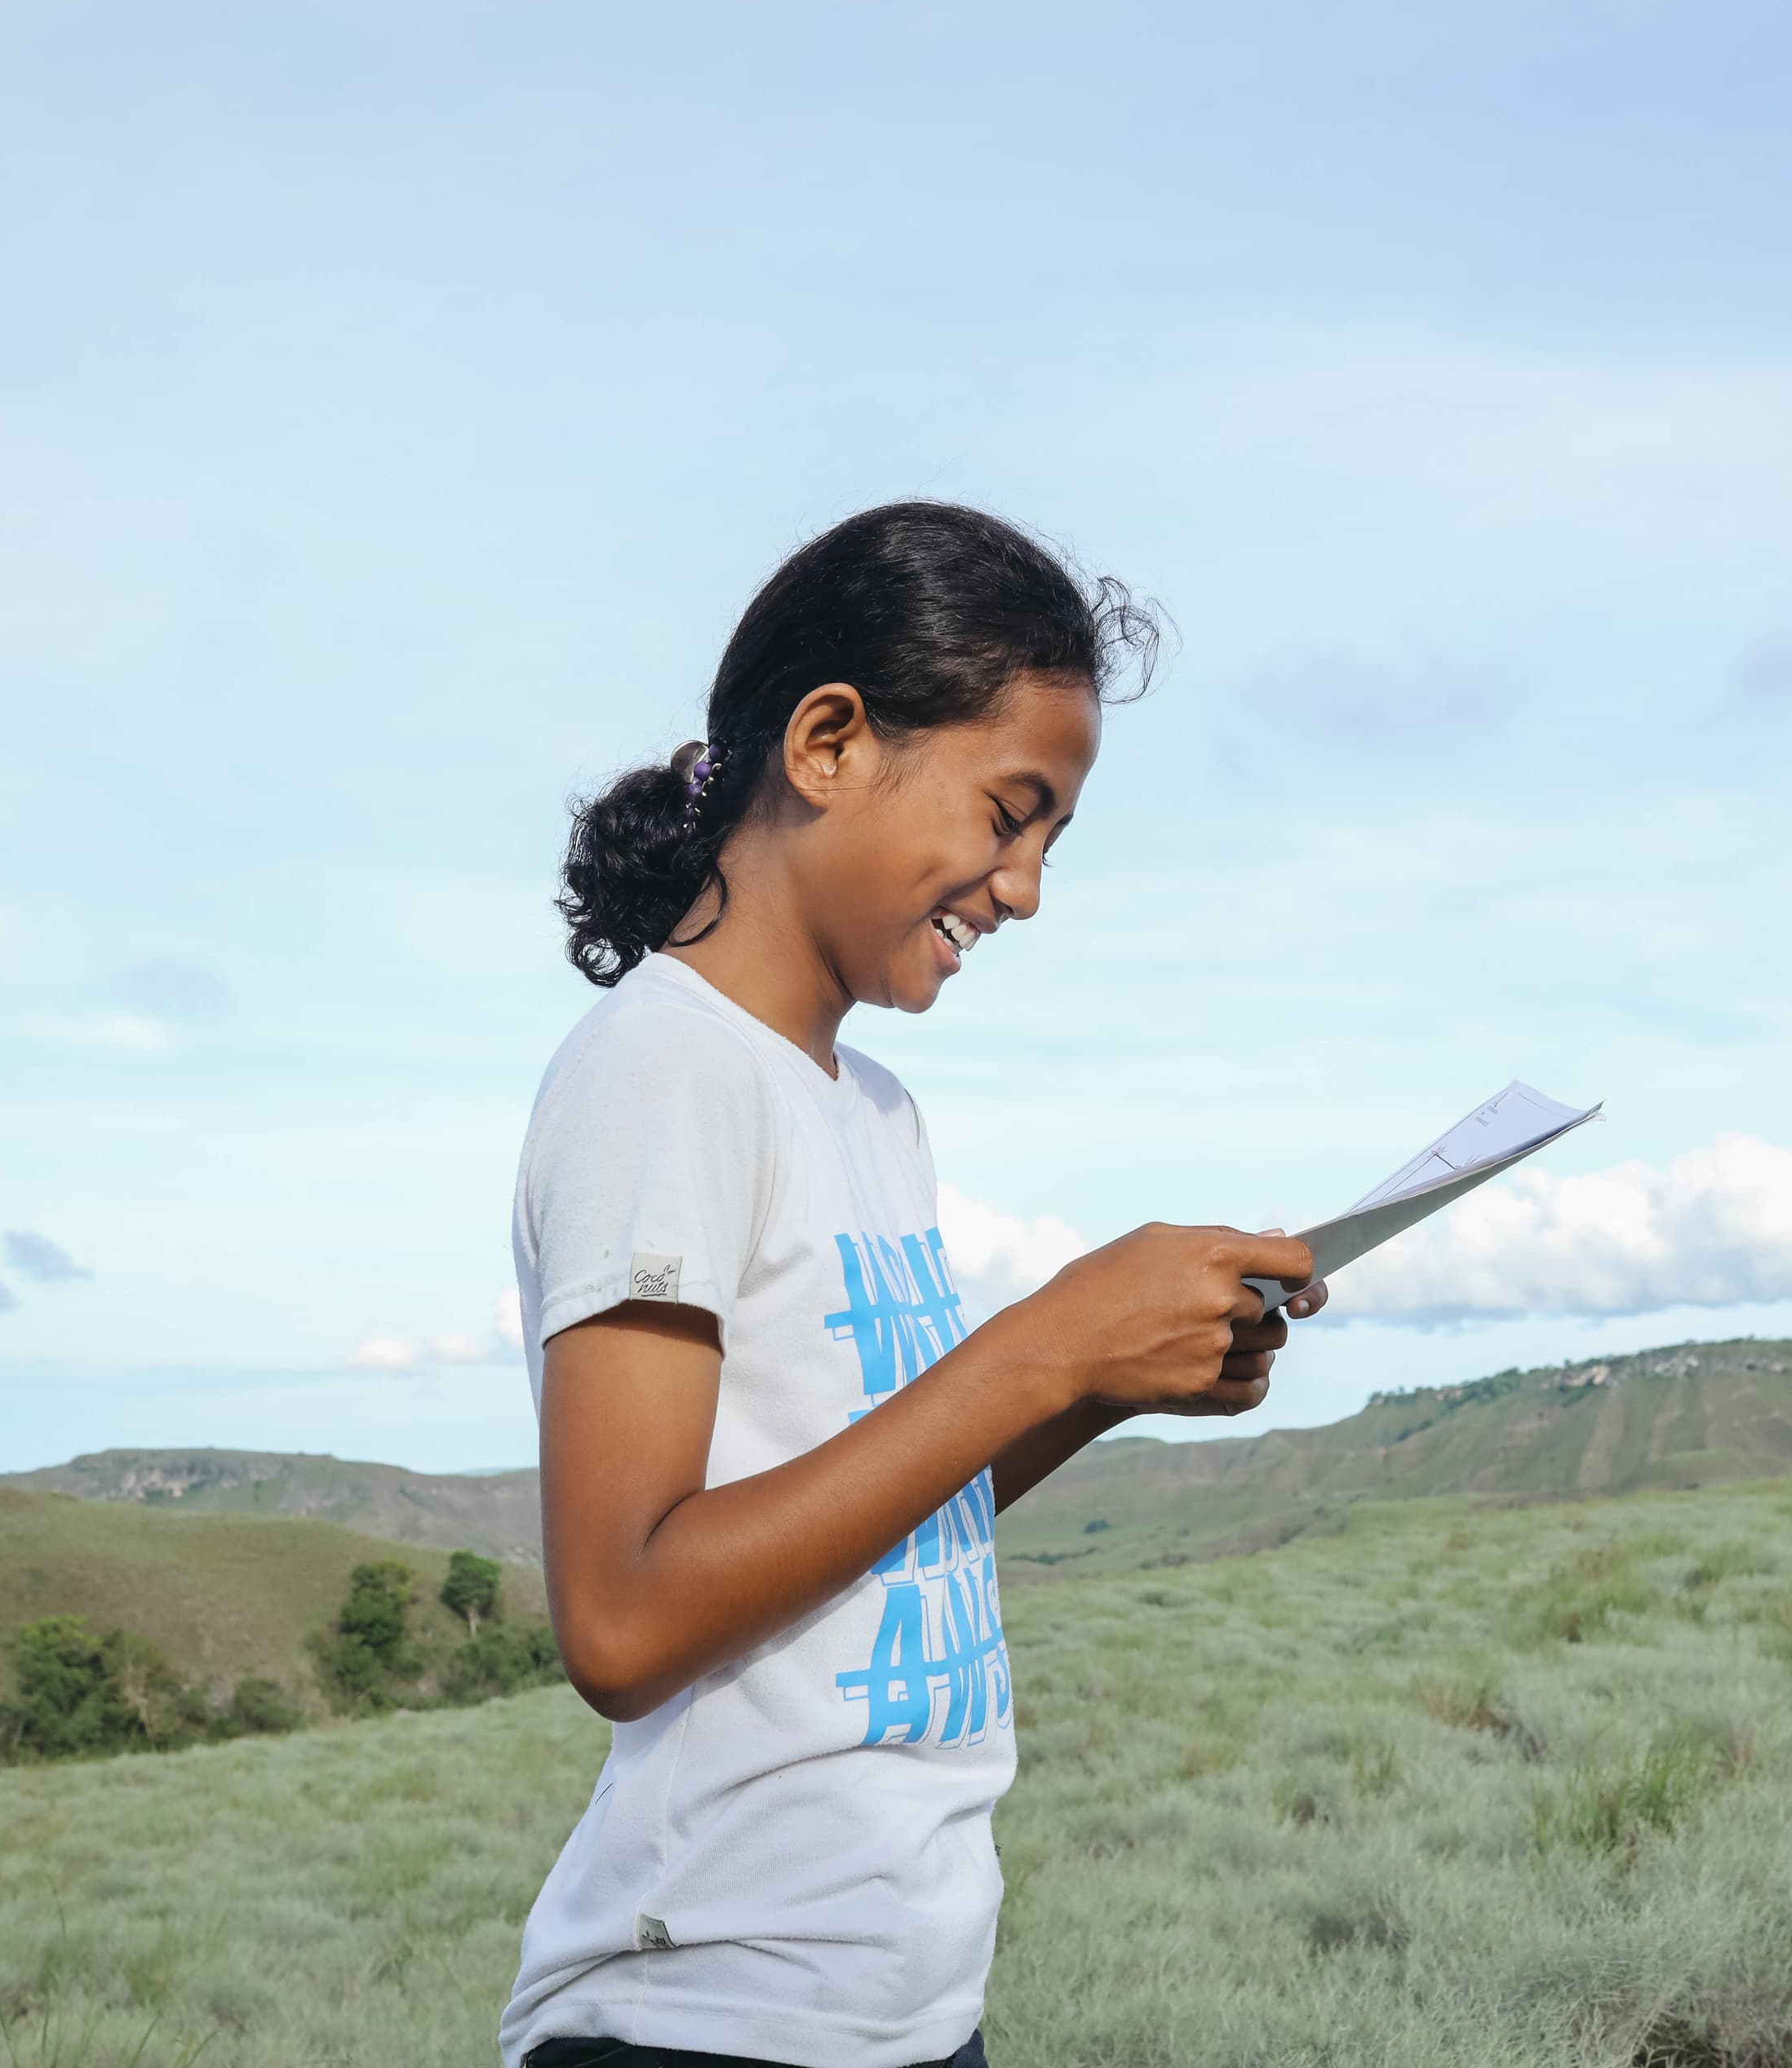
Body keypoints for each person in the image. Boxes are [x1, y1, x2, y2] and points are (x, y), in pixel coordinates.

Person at [503, 501, 1325, 2068]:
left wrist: (1095, 1386)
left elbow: (876, 1508)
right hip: (712, 2012)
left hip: (901, 2001)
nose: (1021, 889)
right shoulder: (663, 1071)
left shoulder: (874, 1112)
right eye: (1009, 813)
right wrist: (1042, 1345)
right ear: (828, 743)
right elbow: (621, 1619)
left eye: (1048, 843)